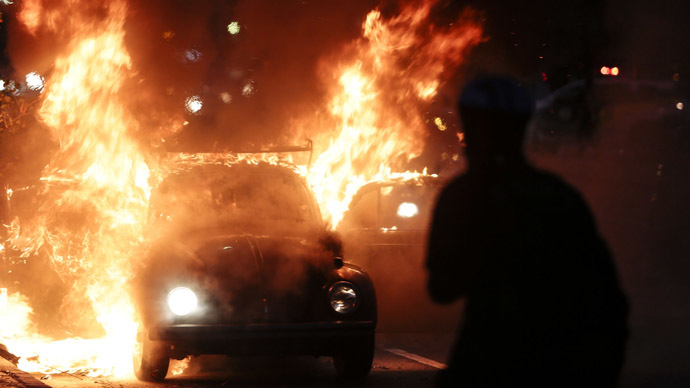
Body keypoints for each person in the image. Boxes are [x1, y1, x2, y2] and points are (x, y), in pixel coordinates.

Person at [426, 76, 628, 387]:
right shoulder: (560, 196)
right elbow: (607, 295)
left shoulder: (462, 197)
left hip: (487, 360)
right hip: (557, 362)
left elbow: (441, 289)